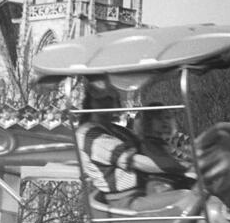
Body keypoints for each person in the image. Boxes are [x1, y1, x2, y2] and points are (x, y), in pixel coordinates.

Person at [75, 78, 194, 210]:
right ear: (90, 101)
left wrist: (188, 158)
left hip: (147, 189)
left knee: (197, 187)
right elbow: (136, 161)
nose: (106, 103)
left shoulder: (117, 130)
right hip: (129, 202)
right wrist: (184, 167)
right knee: (190, 197)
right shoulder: (88, 134)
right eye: (101, 99)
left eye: (110, 99)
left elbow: (150, 149)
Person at [133, 102, 195, 193]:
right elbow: (166, 164)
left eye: (167, 117)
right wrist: (189, 167)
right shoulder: (147, 144)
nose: (165, 121)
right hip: (162, 187)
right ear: (148, 122)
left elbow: (188, 151)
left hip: (176, 182)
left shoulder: (167, 140)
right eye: (159, 119)